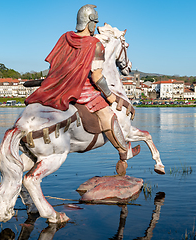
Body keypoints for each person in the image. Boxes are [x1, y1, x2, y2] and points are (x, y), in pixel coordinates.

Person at [24, 4, 139, 175]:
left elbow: (56, 65)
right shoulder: (95, 44)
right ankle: (124, 152)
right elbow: (97, 77)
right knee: (109, 116)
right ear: (90, 23)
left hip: (59, 87)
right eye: (95, 23)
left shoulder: (65, 37)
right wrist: (110, 96)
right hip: (82, 90)